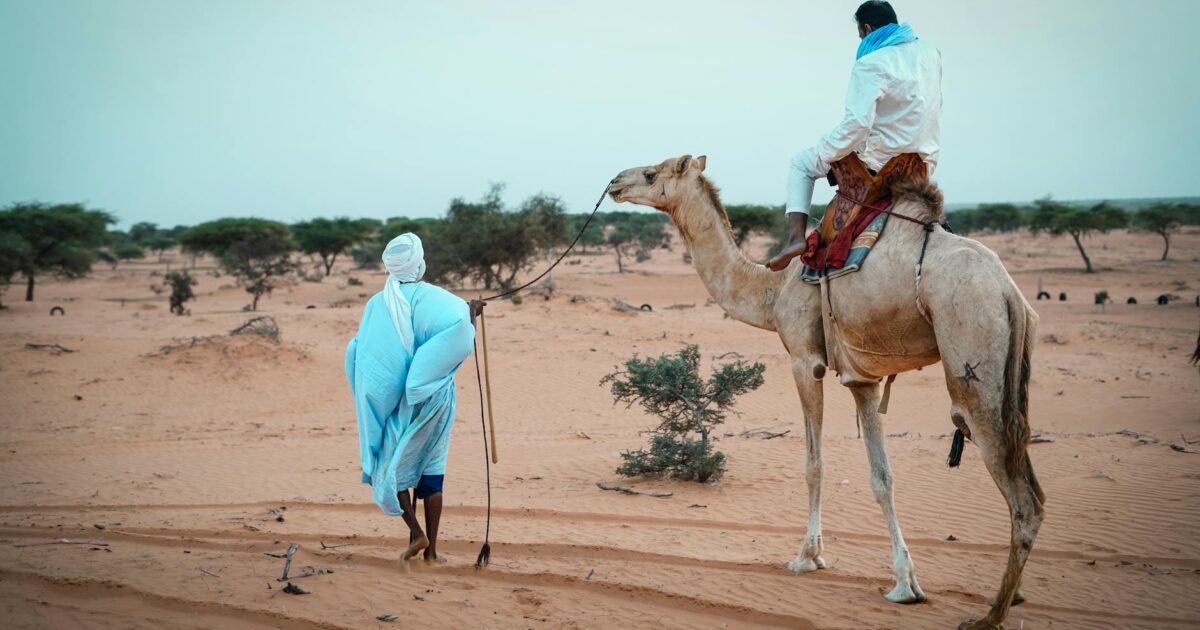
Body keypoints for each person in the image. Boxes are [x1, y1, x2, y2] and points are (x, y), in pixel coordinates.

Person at [766, 0, 942, 271]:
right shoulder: (930, 53)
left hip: (881, 163)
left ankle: (795, 239)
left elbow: (857, 126)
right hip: (923, 164)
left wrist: (827, 150)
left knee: (801, 163)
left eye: (861, 34)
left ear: (867, 29)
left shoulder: (870, 63)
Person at [345, 233, 478, 563]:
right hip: (434, 397)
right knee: (431, 467)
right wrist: (472, 316)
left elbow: (363, 352)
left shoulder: (377, 304)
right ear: (418, 263)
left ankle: (414, 531)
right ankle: (431, 552)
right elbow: (458, 328)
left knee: (393, 463)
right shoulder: (439, 298)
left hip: (398, 401)